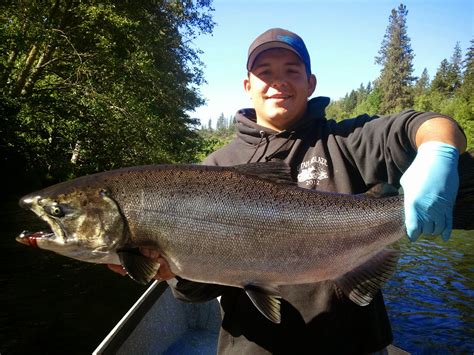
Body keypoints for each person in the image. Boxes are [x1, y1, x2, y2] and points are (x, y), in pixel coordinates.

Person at [109, 28, 467, 354]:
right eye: (265, 72)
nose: (278, 82)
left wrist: (440, 151)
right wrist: (172, 272)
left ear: (310, 83)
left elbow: (423, 124)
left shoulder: (349, 140)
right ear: (248, 86)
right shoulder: (213, 169)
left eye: (291, 71)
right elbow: (197, 292)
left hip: (354, 344)